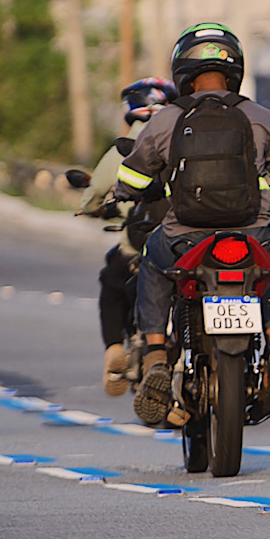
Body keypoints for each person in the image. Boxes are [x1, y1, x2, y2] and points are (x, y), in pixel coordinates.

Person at [107, 24, 270, 427]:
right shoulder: (260, 116)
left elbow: (136, 176)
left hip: (186, 236)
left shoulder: (167, 119)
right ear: (235, 70)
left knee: (153, 264)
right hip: (251, 233)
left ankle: (157, 356)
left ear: (183, 71)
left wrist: (122, 192)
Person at [79, 76, 176, 395]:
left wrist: (93, 208)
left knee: (111, 280)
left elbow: (93, 195)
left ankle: (113, 350)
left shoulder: (123, 149)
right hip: (185, 242)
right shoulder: (185, 142)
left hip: (137, 247)